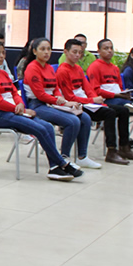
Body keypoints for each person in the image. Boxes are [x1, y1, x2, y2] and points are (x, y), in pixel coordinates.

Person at [0, 41, 78, 181]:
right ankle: (63, 163)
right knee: (39, 128)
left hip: (14, 111)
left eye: (3, 53)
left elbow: (15, 93)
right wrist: (18, 109)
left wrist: (20, 106)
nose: (2, 56)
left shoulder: (4, 74)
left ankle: (54, 167)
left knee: (47, 126)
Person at [56, 38, 133, 165]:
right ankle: (111, 151)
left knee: (123, 110)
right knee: (110, 113)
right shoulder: (63, 70)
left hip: (87, 103)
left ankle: (124, 147)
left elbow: (88, 88)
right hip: (75, 105)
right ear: (66, 52)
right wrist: (92, 100)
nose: (78, 55)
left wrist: (96, 101)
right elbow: (69, 97)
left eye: (80, 52)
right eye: (74, 52)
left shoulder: (78, 69)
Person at [21, 37, 102, 169]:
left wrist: (63, 101)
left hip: (51, 103)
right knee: (72, 121)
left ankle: (82, 156)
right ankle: (65, 157)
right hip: (38, 105)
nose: (46, 52)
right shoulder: (32, 68)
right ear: (35, 51)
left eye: (48, 49)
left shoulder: (49, 67)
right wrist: (61, 101)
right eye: (42, 49)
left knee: (85, 118)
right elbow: (40, 94)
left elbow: (56, 88)